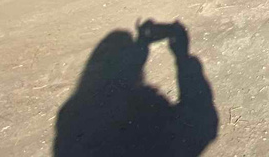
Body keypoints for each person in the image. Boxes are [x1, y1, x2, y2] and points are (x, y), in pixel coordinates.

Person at [53, 20, 218, 157]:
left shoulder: (74, 116)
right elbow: (202, 122)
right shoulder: (151, 124)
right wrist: (182, 55)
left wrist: (141, 46)